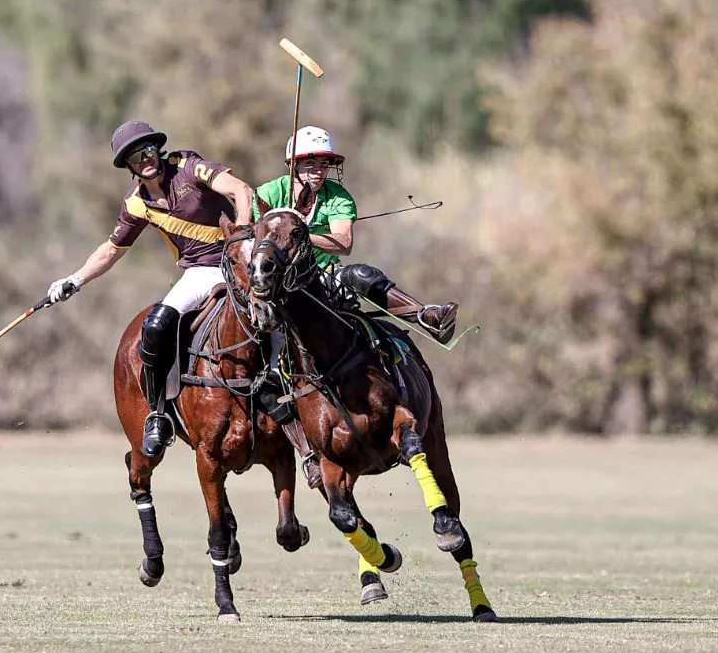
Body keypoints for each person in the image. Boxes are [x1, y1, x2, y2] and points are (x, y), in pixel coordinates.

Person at [46, 120, 256, 457]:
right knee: (155, 327)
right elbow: (112, 249)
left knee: (284, 313)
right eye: (135, 157)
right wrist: (75, 279)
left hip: (239, 262)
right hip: (200, 273)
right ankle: (159, 415)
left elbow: (241, 190)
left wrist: (243, 238)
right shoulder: (136, 204)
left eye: (148, 150)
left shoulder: (188, 167)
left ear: (157, 149)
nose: (145, 159)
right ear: (128, 167)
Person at [254, 125, 459, 343]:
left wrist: (301, 236)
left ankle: (426, 316)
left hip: (321, 277)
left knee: (361, 274)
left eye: (325, 164)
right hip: (272, 281)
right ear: (293, 166)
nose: (319, 171)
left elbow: (344, 243)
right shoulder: (268, 193)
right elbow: (255, 242)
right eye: (310, 164)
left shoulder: (338, 197)